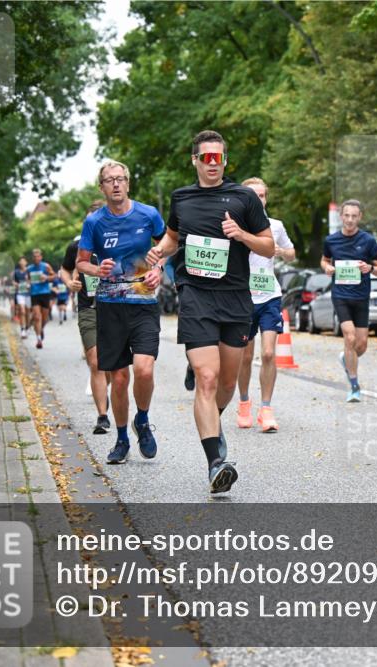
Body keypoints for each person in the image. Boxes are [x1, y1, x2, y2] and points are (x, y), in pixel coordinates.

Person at [147, 130, 273, 494]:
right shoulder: (181, 198)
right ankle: (215, 462)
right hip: (196, 296)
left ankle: (211, 425)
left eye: (218, 158)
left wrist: (242, 235)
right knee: (206, 377)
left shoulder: (245, 198)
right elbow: (173, 237)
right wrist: (161, 252)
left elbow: (267, 247)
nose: (213, 164)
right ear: (195, 161)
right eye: (206, 158)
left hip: (235, 298)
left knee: (227, 384)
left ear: (226, 161)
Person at [77, 161, 164, 464]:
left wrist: (159, 270)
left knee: (144, 369)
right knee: (119, 377)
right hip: (110, 307)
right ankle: (123, 438)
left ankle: (142, 418)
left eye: (120, 179)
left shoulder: (149, 214)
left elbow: (167, 245)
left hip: (143, 303)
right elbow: (81, 262)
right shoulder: (94, 222)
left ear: (128, 183)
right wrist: (94, 268)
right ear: (101, 187)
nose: (115, 184)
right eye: (109, 180)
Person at [231, 177, 296, 433]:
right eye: (253, 195)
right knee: (245, 356)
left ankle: (266, 408)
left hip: (269, 295)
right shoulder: (234, 226)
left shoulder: (275, 226)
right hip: (243, 297)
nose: (259, 199)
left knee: (269, 354)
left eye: (262, 195)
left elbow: (292, 253)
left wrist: (281, 251)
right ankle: (245, 402)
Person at [320, 199, 377, 402]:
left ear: (360, 217)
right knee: (349, 337)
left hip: (361, 296)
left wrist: (371, 269)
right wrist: (327, 268)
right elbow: (324, 260)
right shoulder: (331, 240)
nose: (349, 220)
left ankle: (345, 359)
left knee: (361, 344)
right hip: (341, 295)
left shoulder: (368, 241)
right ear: (341, 216)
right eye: (346, 215)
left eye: (354, 216)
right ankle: (354, 386)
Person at [62, 200, 112, 435]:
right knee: (95, 362)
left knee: (111, 365)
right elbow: (64, 269)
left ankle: (104, 391)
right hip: (88, 308)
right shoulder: (77, 246)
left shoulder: (117, 243)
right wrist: (69, 282)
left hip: (115, 307)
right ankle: (102, 416)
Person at [27, 249, 55, 349]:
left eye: (38, 256)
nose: (36, 258)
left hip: (45, 294)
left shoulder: (46, 266)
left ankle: (41, 329)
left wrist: (46, 278)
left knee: (45, 318)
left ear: (41, 257)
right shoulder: (29, 268)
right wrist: (28, 284)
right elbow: (27, 280)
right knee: (37, 316)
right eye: (34, 257)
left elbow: (54, 276)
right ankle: (39, 339)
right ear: (32, 258)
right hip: (34, 294)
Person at [13, 257, 31, 338]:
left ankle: (27, 327)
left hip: (28, 294)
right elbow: (13, 281)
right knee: (22, 311)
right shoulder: (16, 272)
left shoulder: (29, 271)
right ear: (19, 263)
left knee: (27, 312)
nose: (22, 262)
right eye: (20, 261)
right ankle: (22, 329)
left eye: (23, 261)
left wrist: (29, 283)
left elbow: (32, 280)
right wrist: (16, 284)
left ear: (26, 262)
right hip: (20, 293)